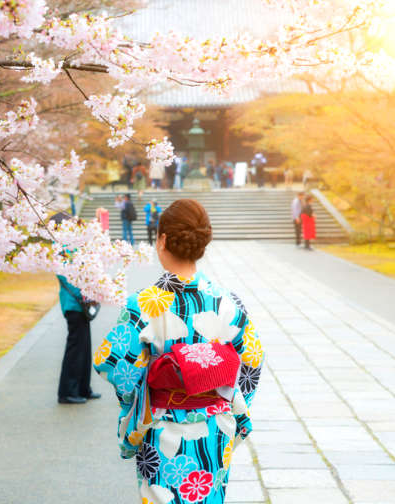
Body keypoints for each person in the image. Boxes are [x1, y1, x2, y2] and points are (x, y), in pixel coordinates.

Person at [94, 199, 263, 504]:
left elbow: (115, 366)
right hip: (216, 428)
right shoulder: (228, 302)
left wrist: (138, 402)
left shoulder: (140, 306)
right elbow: (251, 363)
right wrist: (224, 400)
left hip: (162, 428)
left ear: (162, 241)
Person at [56, 272, 101, 404]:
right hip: (74, 305)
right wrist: (89, 293)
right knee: (75, 351)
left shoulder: (77, 252)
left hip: (80, 306)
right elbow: (66, 277)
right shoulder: (65, 252)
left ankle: (83, 389)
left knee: (84, 349)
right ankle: (67, 392)